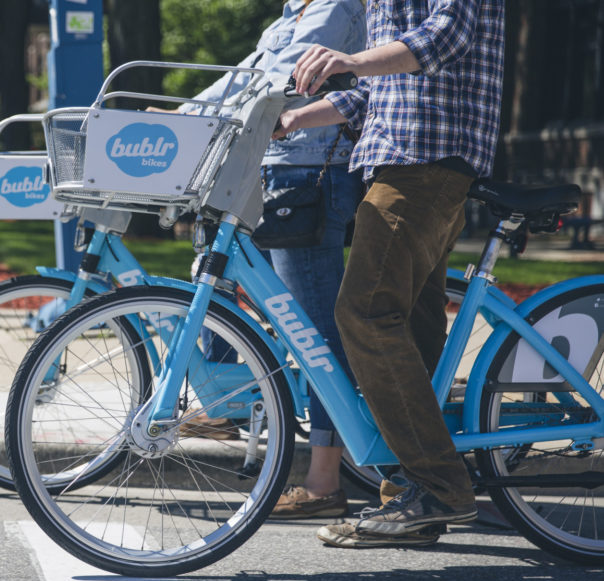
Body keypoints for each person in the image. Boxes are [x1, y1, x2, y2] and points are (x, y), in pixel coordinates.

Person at [274, 0, 505, 547]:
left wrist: (349, 58)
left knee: (365, 314)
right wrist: (297, 117)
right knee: (411, 329)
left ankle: (439, 485)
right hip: (404, 161)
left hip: (424, 162)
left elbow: (443, 38)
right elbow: (378, 90)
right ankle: (412, 496)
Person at [169, 0, 366, 519]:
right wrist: (183, 113)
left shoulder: (334, 6)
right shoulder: (290, 13)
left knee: (316, 334)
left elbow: (283, 74)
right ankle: (225, 405)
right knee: (219, 270)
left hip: (307, 173)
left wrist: (196, 115)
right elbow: (246, 74)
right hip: (272, 169)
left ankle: (324, 481)